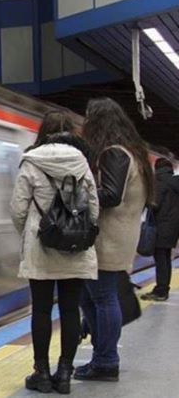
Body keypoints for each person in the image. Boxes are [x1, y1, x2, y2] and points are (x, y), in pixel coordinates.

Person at [10, 110, 99, 394]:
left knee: (42, 310)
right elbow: (94, 209)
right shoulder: (82, 162)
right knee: (71, 309)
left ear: (43, 132)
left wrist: (33, 231)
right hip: (75, 248)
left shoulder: (31, 161)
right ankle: (64, 374)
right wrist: (79, 230)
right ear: (72, 133)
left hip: (40, 247)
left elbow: (18, 209)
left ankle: (42, 374)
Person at [76, 97, 154, 382]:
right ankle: (102, 356)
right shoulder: (134, 153)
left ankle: (107, 361)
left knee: (103, 297)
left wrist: (79, 197)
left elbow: (110, 195)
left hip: (109, 238)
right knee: (92, 296)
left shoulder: (114, 153)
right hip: (120, 235)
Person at [142, 157, 179, 301]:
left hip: (161, 226)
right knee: (165, 258)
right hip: (173, 228)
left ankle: (161, 291)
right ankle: (163, 288)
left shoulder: (159, 182)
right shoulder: (175, 182)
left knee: (160, 259)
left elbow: (154, 204)